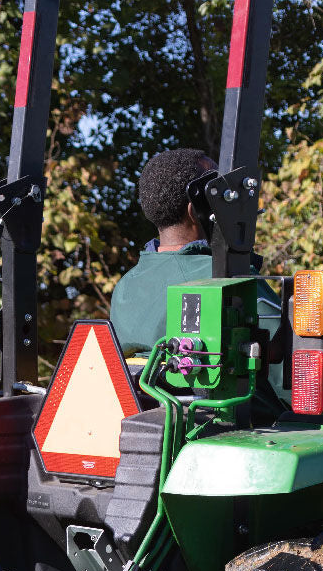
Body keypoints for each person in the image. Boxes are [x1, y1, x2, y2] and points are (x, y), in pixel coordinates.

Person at [109, 147, 285, 397]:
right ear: (195, 211)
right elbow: (289, 373)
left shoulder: (125, 286)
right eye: (222, 196)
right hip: (238, 429)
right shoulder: (228, 278)